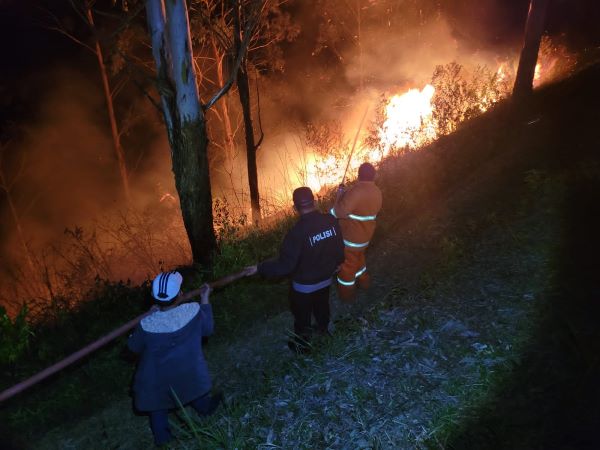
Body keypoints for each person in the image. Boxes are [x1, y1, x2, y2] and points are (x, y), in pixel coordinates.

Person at [244, 187, 344, 353]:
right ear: (315, 201)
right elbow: (339, 248)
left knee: (302, 315)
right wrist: (339, 262)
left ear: (295, 208)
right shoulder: (331, 221)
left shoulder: (295, 234)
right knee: (322, 306)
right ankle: (323, 331)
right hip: (326, 278)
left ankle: (303, 345)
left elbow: (285, 265)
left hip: (304, 286)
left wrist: (259, 268)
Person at [128, 271, 222, 446]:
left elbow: (133, 347)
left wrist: (148, 315)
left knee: (157, 407)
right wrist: (205, 299)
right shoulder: (193, 311)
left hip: (156, 382)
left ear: (154, 298)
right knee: (189, 382)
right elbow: (208, 329)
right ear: (180, 294)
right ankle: (205, 407)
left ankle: (163, 441)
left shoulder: (147, 324)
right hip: (188, 373)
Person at [330, 162, 382, 302]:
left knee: (346, 270)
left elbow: (337, 212)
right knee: (359, 261)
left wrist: (339, 196)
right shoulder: (377, 191)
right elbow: (360, 209)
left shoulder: (356, 191)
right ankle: (365, 284)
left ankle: (347, 298)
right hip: (364, 239)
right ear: (374, 176)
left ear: (359, 175)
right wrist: (344, 194)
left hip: (350, 240)